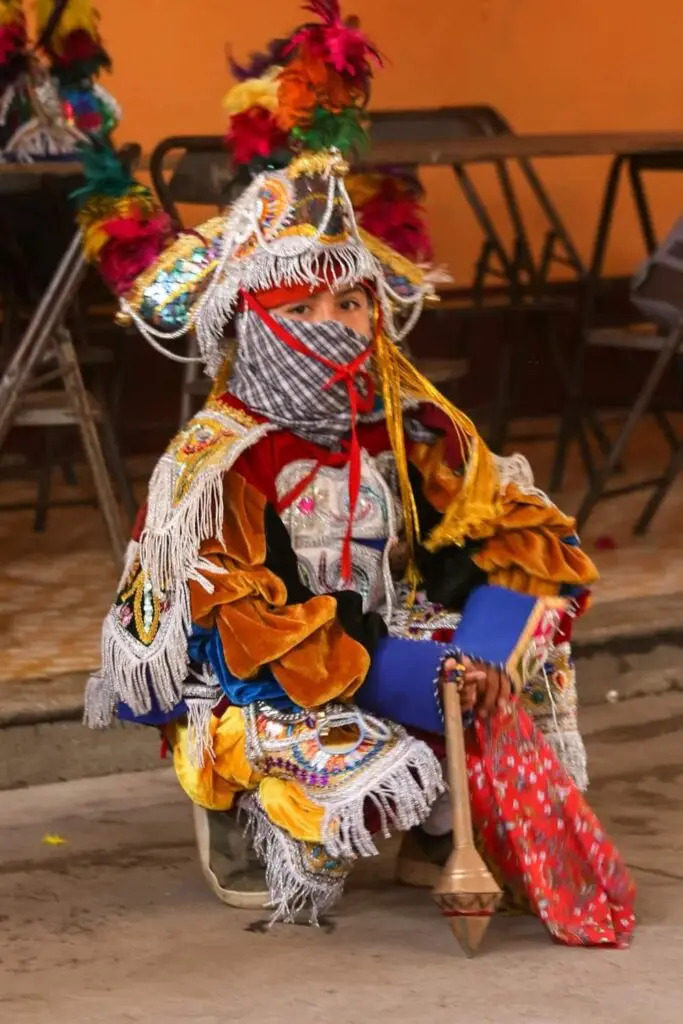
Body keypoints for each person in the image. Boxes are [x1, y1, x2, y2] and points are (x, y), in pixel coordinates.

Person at [80, 0, 634, 944]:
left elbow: (510, 533)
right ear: (265, 319)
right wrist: (398, 669)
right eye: (327, 305)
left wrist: (484, 646)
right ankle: (243, 811)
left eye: (361, 303)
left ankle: (442, 817)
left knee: (523, 639)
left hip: (390, 641)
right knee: (327, 754)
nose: (354, 327)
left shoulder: (404, 423)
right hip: (278, 669)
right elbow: (251, 625)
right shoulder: (218, 463)